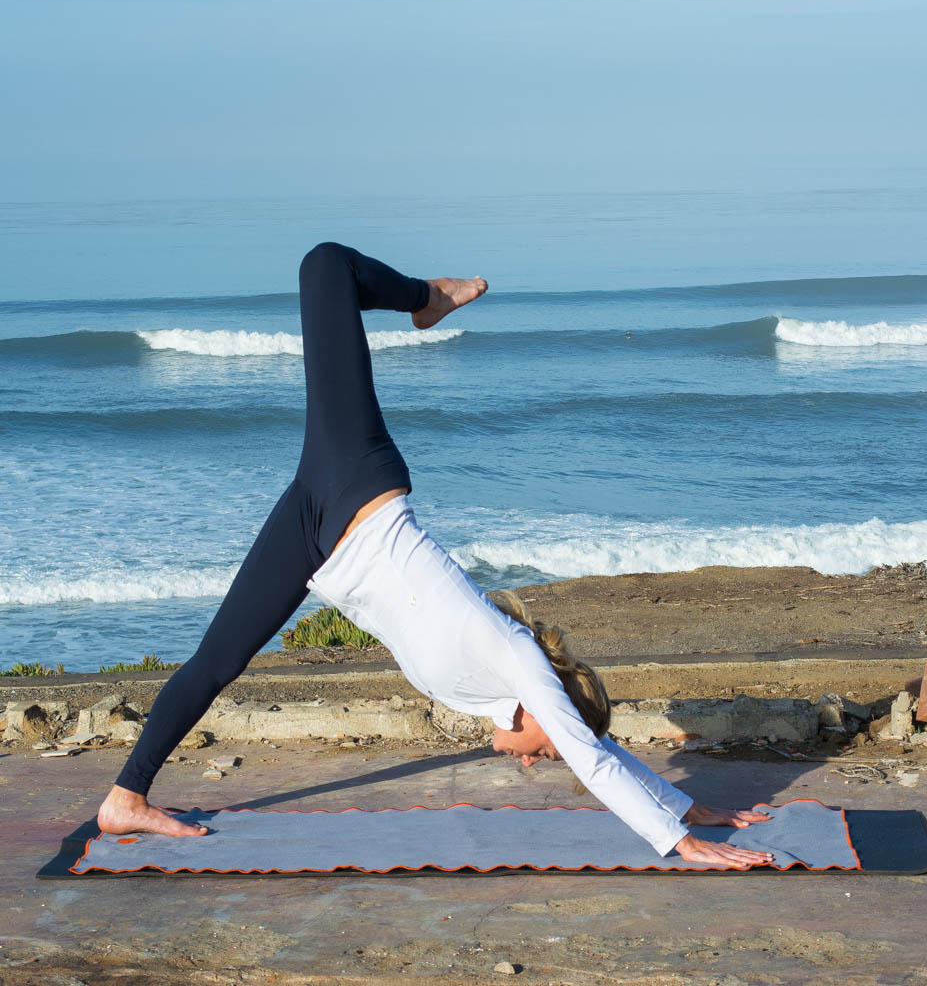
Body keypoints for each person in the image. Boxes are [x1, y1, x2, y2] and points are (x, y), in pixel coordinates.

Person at [97, 242, 774, 867]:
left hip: (318, 535)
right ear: (548, 715)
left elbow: (597, 748)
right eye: (546, 748)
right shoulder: (518, 661)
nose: (537, 761)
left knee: (216, 662)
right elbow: (588, 756)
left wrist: (686, 804)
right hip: (357, 481)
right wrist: (679, 841)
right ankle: (427, 299)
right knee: (325, 265)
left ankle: (124, 799)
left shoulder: (505, 695)